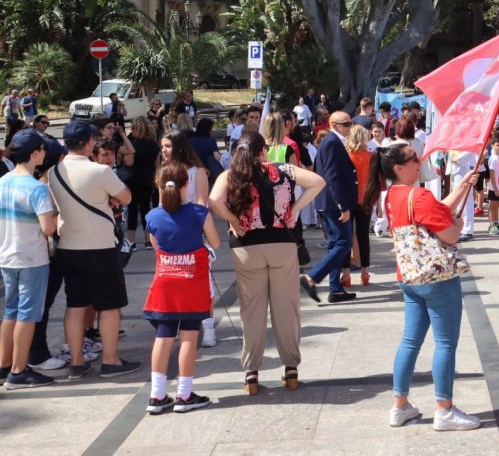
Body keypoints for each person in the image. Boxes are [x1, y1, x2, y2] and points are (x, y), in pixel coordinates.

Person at [361, 143, 481, 430]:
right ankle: (444, 409)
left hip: (409, 277)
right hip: (436, 278)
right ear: (399, 168)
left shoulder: (391, 195)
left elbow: (437, 211)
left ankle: (400, 406)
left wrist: (463, 187)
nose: (419, 162)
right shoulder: (420, 195)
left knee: (410, 341)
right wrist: (456, 223)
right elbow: (450, 234)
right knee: (445, 344)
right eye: (413, 159)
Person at [209, 132, 325, 395]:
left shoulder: (230, 175)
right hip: (282, 243)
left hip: (247, 246)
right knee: (286, 307)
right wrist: (294, 211)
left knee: (252, 310)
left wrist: (233, 220)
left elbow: (214, 201)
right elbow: (318, 181)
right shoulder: (282, 169)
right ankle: (291, 368)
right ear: (264, 151)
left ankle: (252, 371)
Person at [48, 120, 140, 379]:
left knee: (75, 305)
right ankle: (111, 360)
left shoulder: (55, 172)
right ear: (90, 142)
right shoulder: (99, 171)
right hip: (99, 247)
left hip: (68, 246)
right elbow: (126, 197)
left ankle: (77, 362)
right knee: (110, 306)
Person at [143, 162, 222, 414]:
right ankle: (184, 394)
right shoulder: (199, 213)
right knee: (189, 335)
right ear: (186, 185)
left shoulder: (152, 217)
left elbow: (156, 246)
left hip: (165, 281)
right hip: (192, 282)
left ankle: (156, 395)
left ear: (159, 186)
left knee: (163, 336)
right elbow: (216, 243)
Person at [0, 129, 58, 389]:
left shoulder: (2, 181)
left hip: (7, 255)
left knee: (10, 311)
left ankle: (4, 366)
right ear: (35, 153)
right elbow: (48, 228)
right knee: (28, 314)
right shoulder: (36, 188)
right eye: (42, 149)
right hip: (32, 258)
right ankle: (19, 370)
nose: (45, 153)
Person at [303, 111, 358, 303]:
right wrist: (342, 205)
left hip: (329, 202)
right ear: (334, 125)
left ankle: (335, 289)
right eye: (346, 124)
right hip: (333, 203)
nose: (350, 127)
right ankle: (313, 277)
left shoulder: (333, 142)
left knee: (336, 244)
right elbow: (332, 176)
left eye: (350, 123)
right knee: (344, 243)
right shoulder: (332, 142)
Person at [342, 124, 373, 287]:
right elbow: (375, 181)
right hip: (366, 200)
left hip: (348, 200)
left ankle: (346, 274)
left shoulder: (347, 156)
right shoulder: (371, 156)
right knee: (363, 237)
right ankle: (365, 272)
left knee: (346, 237)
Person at [126, 117, 160, 248]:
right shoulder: (154, 145)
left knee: (132, 210)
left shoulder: (132, 145)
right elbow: (157, 165)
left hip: (133, 179)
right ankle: (148, 240)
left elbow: (130, 163)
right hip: (149, 179)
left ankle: (132, 241)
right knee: (146, 209)